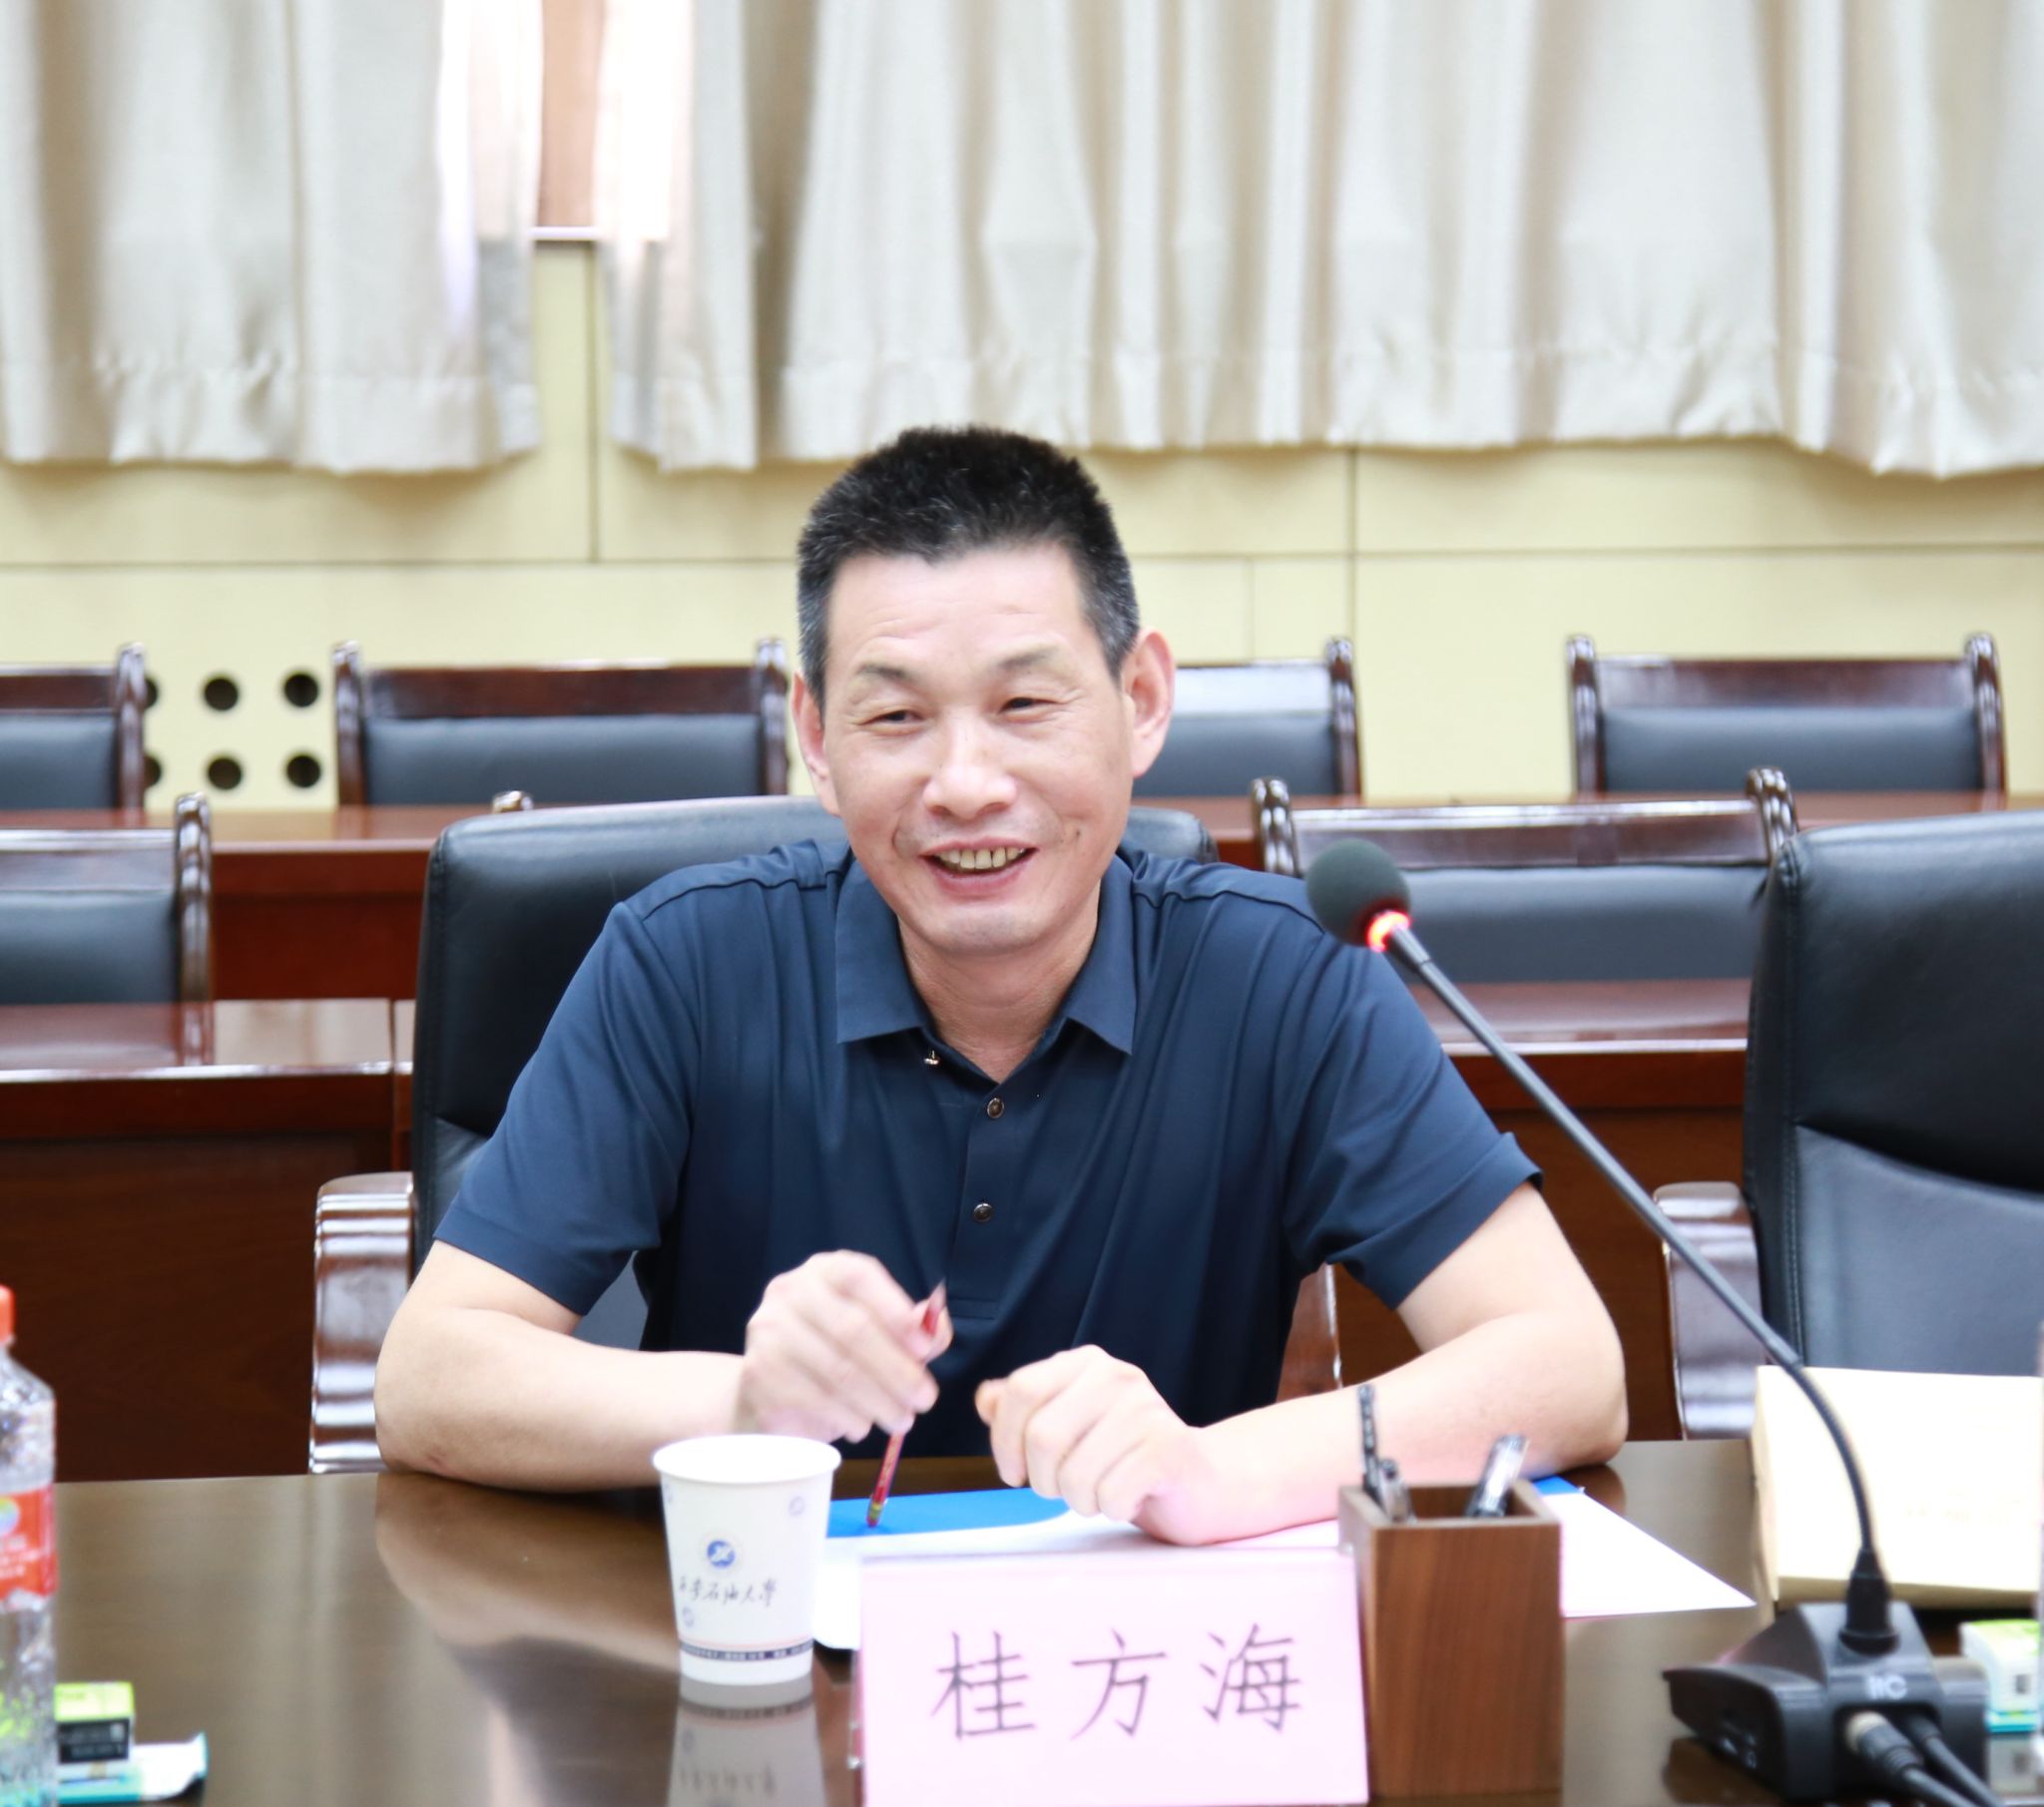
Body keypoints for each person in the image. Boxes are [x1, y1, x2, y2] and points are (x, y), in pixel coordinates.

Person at [375, 425, 1625, 1543]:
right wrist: (747, 1399)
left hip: (1137, 1666)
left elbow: (1568, 1363)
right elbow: (430, 1380)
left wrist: (1212, 1468)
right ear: (815, 736)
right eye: (895, 718)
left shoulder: (1287, 979)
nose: (965, 784)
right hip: (750, 1650)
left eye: (1024, 702)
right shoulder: (684, 963)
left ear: (1140, 700)